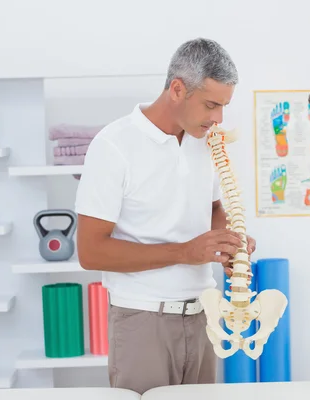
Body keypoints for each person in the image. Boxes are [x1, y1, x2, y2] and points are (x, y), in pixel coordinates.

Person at [75, 38, 255, 395]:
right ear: (177, 89)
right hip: (143, 321)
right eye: (211, 105)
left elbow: (215, 206)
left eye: (224, 106)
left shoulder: (204, 140)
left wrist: (227, 247)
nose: (218, 118)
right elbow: (91, 252)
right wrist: (185, 252)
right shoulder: (113, 145)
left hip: (204, 316)